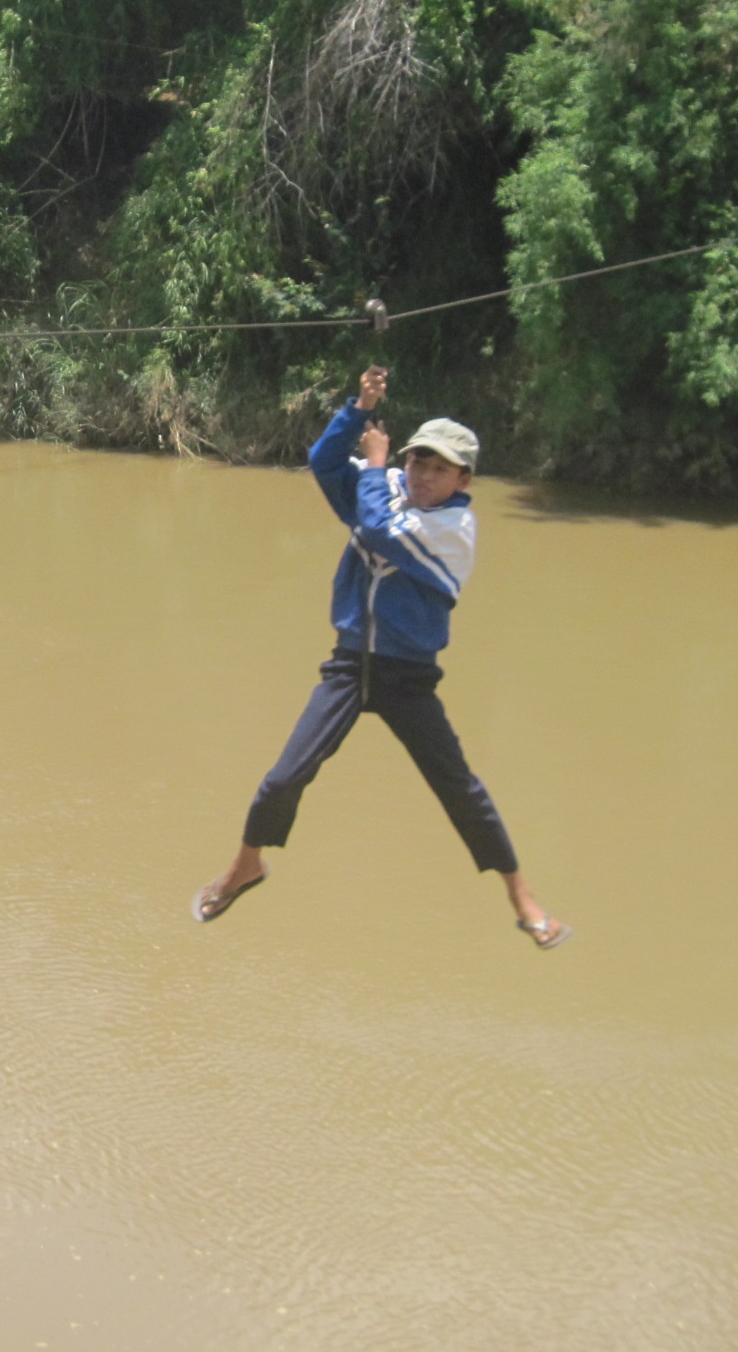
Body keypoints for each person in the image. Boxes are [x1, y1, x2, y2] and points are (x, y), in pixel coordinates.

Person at [192, 364, 569, 947]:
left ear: (463, 479)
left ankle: (520, 894)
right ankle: (246, 865)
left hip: (407, 678)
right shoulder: (387, 483)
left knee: (459, 788)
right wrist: (360, 410)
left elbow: (378, 528)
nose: (422, 476)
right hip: (348, 667)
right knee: (282, 779)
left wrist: (374, 466)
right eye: (417, 462)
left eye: (438, 469)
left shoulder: (455, 529)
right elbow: (323, 463)